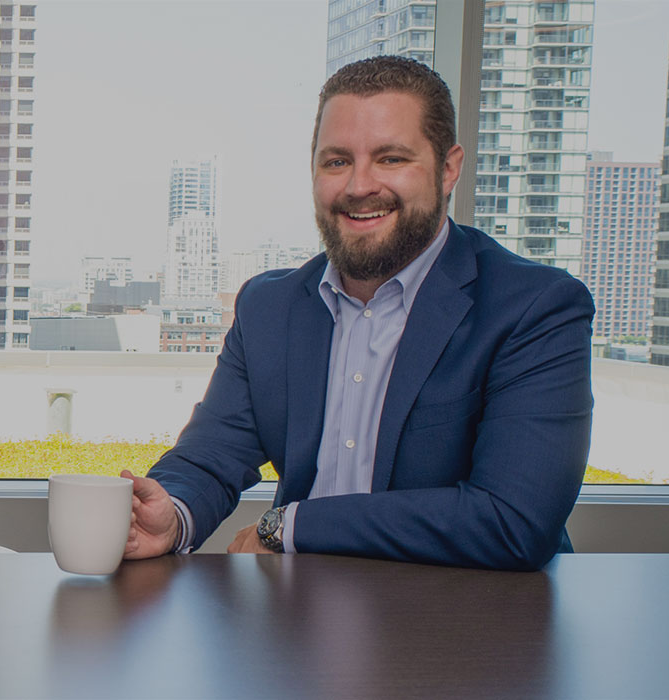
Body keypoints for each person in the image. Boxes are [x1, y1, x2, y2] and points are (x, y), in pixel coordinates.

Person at [123, 56, 594, 571]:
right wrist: (172, 514)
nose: (358, 186)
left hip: (468, 630)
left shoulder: (535, 305)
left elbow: (513, 520)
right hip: (299, 622)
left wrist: (290, 525)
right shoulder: (268, 305)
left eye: (391, 159)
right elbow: (210, 456)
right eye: (336, 161)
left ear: (449, 168)